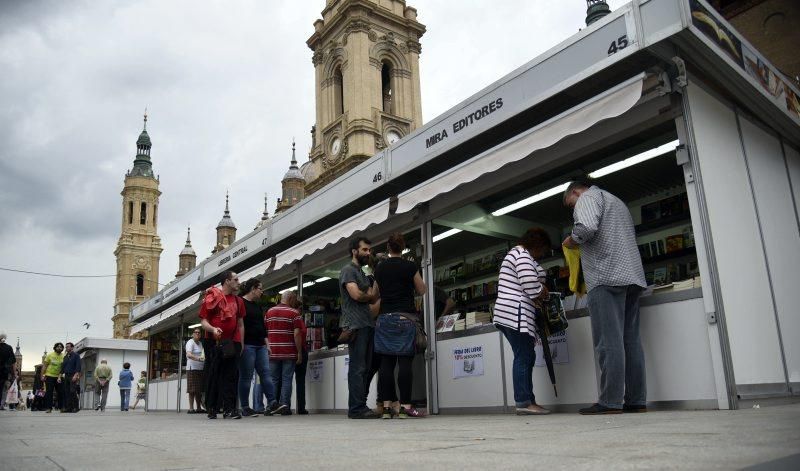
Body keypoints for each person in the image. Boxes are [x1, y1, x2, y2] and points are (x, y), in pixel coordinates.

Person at [563, 180, 647, 415]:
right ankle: (636, 400)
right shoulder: (616, 201)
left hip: (606, 275)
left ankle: (610, 401)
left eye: (571, 204)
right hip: (632, 276)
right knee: (631, 342)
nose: (573, 209)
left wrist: (570, 240)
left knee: (607, 342)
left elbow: (586, 228)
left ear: (576, 191)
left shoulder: (588, 198)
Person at [494, 228, 552, 416]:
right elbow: (529, 284)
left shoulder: (518, 254)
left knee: (525, 355)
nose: (542, 254)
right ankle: (524, 402)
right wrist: (542, 290)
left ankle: (528, 400)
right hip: (515, 311)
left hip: (509, 312)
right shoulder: (522, 255)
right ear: (537, 245)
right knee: (524, 355)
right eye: (542, 250)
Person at [373, 232, 427, 419]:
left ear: (388, 247)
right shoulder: (410, 266)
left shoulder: (379, 268)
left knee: (386, 364)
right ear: (403, 247)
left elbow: (374, 294)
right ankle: (405, 407)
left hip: (385, 319)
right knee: (405, 363)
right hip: (405, 318)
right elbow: (422, 290)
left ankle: (387, 408)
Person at [340, 236, 380, 419]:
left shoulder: (361, 273)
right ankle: (356, 408)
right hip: (356, 325)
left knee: (366, 367)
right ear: (354, 251)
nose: (368, 253)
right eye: (364, 250)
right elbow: (356, 295)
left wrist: (371, 292)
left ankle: (360, 405)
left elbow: (371, 295)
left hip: (366, 323)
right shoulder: (348, 270)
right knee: (358, 368)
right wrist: (368, 295)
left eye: (369, 250)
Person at [200, 270, 245, 420]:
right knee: (214, 374)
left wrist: (241, 343)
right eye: (236, 279)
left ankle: (229, 409)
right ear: (227, 281)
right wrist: (213, 329)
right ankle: (211, 407)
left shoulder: (239, 301)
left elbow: (240, 324)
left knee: (231, 375)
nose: (239, 282)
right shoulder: (212, 297)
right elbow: (203, 321)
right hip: (213, 341)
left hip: (232, 342)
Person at [238, 278, 277, 417]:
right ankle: (245, 406)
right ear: (253, 289)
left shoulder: (257, 306)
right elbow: (239, 324)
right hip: (247, 345)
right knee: (246, 376)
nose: (262, 291)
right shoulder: (240, 302)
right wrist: (241, 344)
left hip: (260, 345)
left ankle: (272, 403)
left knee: (266, 374)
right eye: (260, 288)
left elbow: (262, 327)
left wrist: (267, 344)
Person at [265, 290, 303, 416]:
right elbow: (297, 334)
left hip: (273, 351)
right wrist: (299, 352)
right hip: (289, 351)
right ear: (291, 298)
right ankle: (285, 406)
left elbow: (265, 332)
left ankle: (272, 405)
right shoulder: (294, 313)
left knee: (273, 379)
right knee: (287, 379)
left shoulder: (269, 312)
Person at [294, 296, 309, 415]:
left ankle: (298, 406)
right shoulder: (297, 319)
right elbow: (298, 335)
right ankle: (301, 407)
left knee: (287, 379)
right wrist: (299, 352)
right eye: (300, 307)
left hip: (298, 350)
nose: (301, 310)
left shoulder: (298, 319)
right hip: (299, 350)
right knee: (300, 380)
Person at [184, 328, 205, 414]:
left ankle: (199, 408)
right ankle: (191, 408)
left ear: (200, 334)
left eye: (199, 332)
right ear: (192, 334)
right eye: (195, 332)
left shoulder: (200, 343)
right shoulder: (190, 342)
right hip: (192, 368)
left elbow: (203, 354)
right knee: (192, 389)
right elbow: (188, 354)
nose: (197, 334)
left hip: (200, 368)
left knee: (199, 389)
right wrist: (198, 359)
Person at [41, 342, 64, 413]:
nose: (59, 348)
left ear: (62, 348)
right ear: (55, 348)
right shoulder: (50, 355)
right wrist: (42, 375)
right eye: (58, 347)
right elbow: (44, 366)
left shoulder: (64, 356)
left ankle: (61, 407)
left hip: (59, 377)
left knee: (60, 392)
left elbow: (64, 367)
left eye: (61, 347)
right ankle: (49, 408)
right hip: (49, 376)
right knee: (49, 392)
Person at [59, 342, 81, 413]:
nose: (66, 348)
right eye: (66, 347)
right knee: (67, 392)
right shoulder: (65, 357)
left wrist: (76, 375)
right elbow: (62, 368)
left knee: (72, 391)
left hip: (73, 375)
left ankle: (76, 407)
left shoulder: (76, 355)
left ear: (72, 347)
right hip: (66, 376)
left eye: (68, 346)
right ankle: (69, 408)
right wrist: (59, 376)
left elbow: (78, 366)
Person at [0, 333, 16, 410]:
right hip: (5, 372)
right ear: (5, 339)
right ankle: (1, 405)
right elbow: (13, 361)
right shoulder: (9, 348)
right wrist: (15, 373)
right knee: (4, 389)